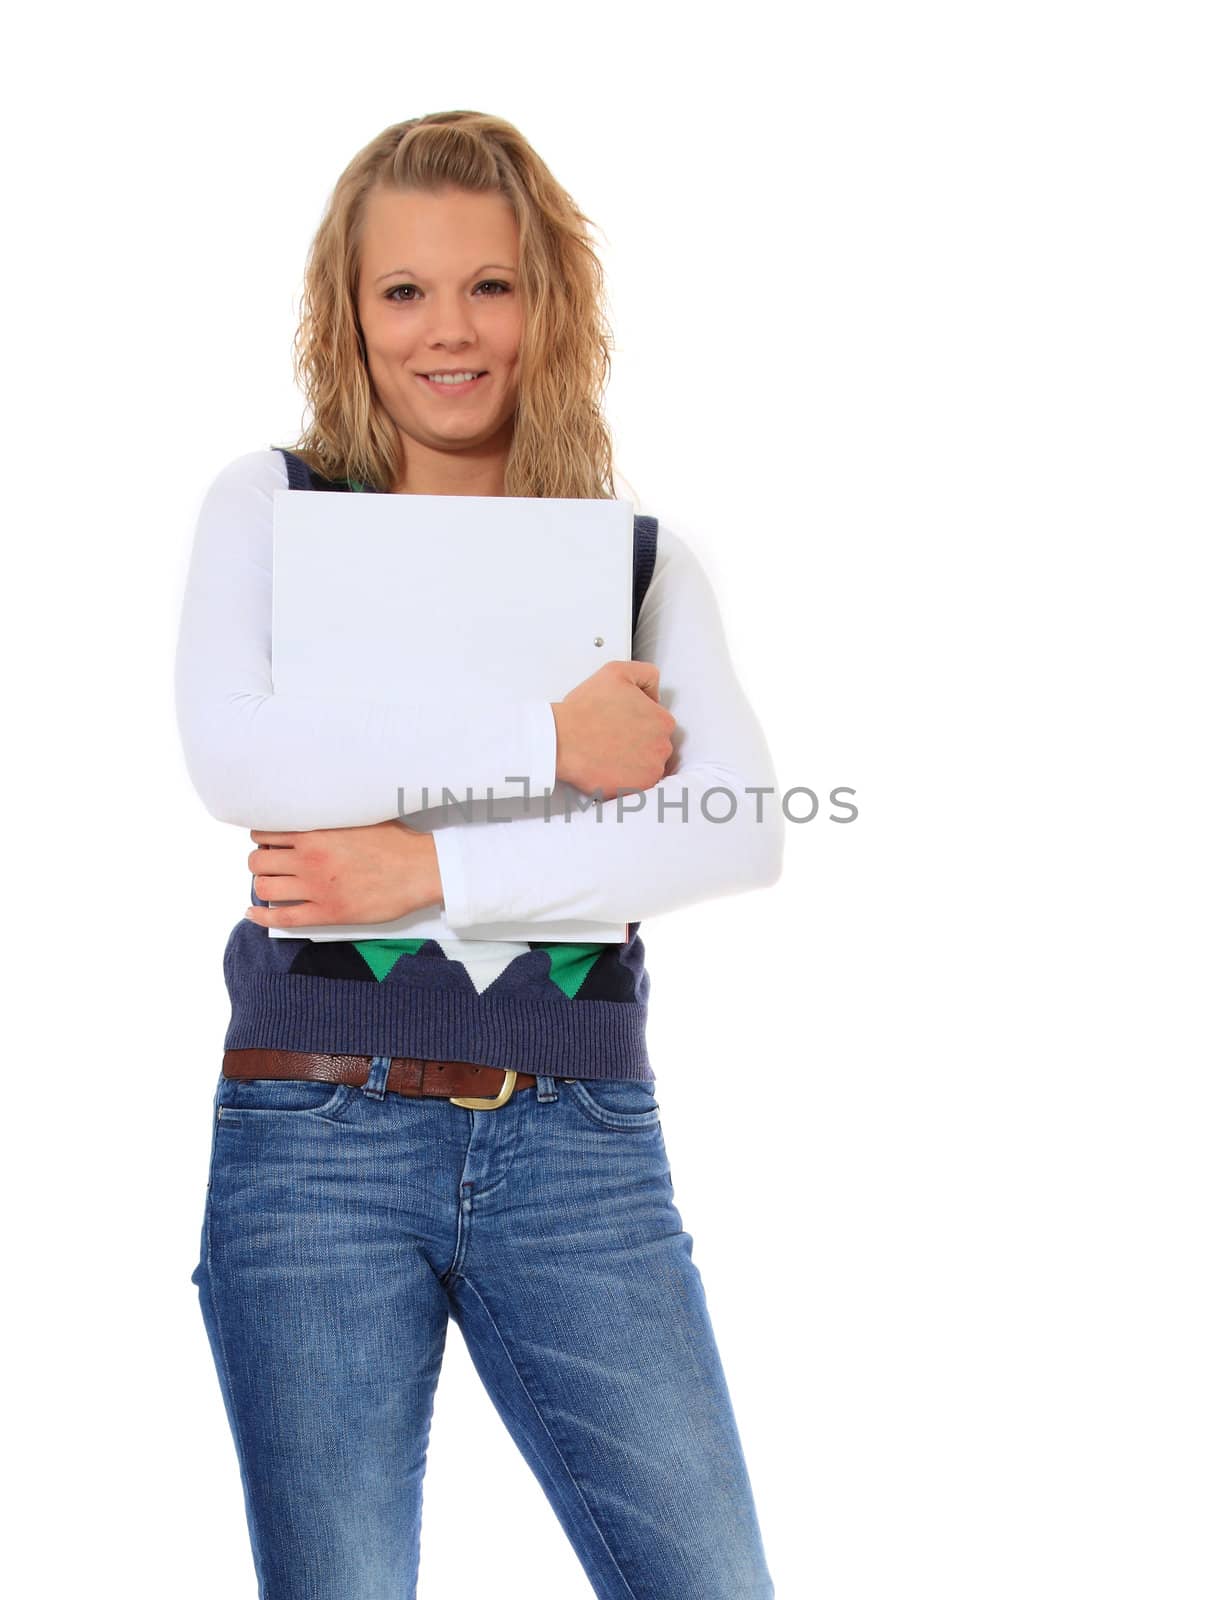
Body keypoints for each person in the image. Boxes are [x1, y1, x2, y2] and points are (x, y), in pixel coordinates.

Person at [175, 110, 784, 1600]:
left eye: (491, 286)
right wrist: (550, 746)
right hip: (316, 1140)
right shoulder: (275, 507)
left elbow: (739, 827)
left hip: (580, 1146)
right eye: (405, 291)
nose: (448, 331)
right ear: (350, 310)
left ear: (548, 304)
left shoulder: (635, 557)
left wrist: (432, 874)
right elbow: (237, 759)